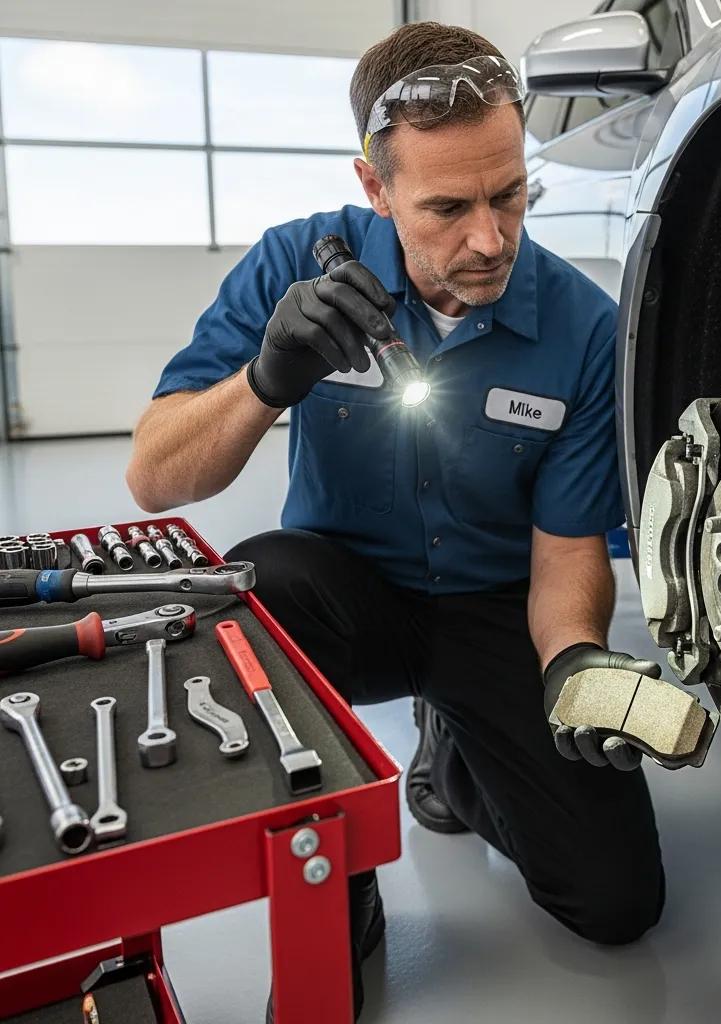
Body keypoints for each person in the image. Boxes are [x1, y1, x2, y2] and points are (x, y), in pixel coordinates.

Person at [127, 21, 664, 1019]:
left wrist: (576, 663)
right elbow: (155, 478)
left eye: (509, 195)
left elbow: (565, 559)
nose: (489, 238)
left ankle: (455, 763)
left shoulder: (584, 329)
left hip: (496, 609)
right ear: (375, 189)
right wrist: (265, 378)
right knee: (260, 585)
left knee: (616, 900)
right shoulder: (295, 262)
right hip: (343, 600)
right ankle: (341, 880)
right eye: (448, 207)